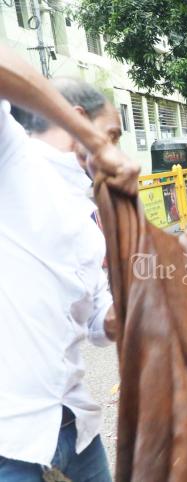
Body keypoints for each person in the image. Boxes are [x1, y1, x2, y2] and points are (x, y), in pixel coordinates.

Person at [0, 46, 138, 482]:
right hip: (11, 442)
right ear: (75, 117)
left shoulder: (85, 214)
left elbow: (99, 320)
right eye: (113, 134)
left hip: (75, 428)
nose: (117, 150)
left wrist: (141, 305)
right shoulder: (12, 159)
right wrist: (98, 142)